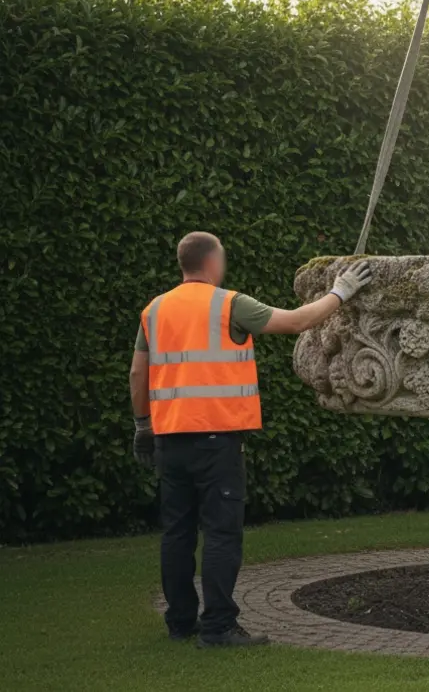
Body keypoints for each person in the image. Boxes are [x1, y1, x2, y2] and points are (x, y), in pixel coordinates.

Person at [129, 231, 372, 649]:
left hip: (169, 440)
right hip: (217, 439)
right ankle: (219, 627)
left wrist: (142, 427)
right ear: (211, 262)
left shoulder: (155, 310)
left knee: (177, 534)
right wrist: (340, 292)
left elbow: (137, 374)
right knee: (222, 534)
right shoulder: (229, 304)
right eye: (222, 258)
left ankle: (181, 622)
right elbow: (297, 321)